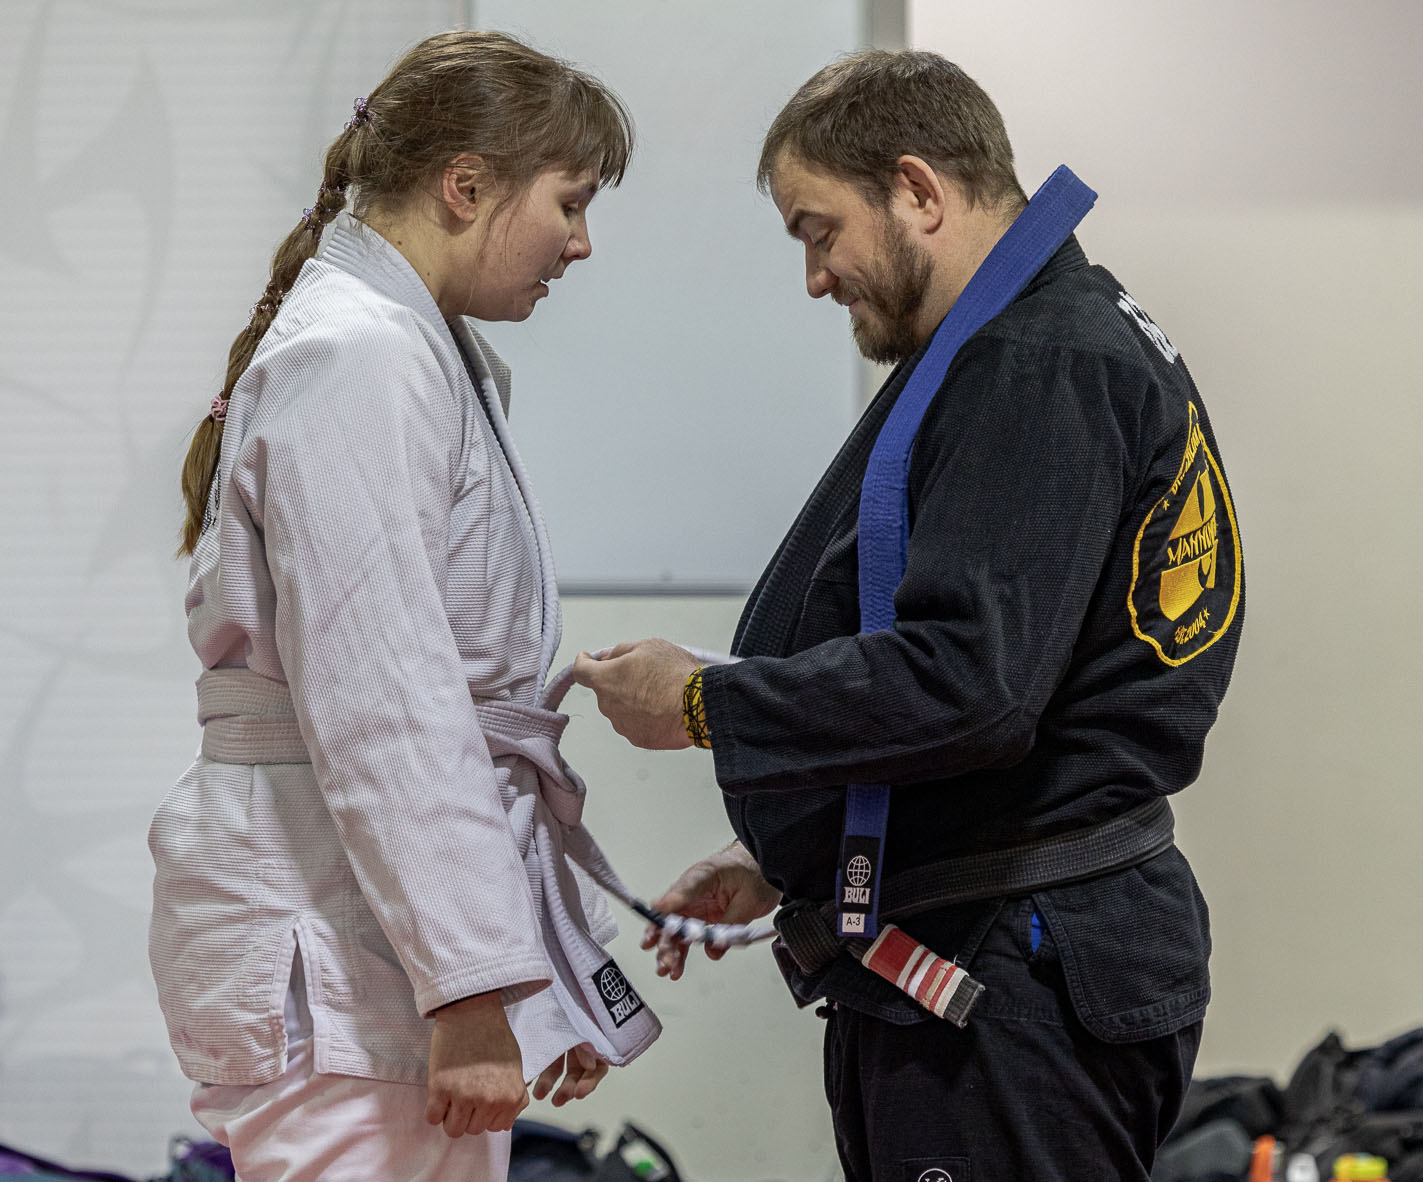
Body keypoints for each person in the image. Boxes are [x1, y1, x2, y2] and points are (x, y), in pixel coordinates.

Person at [572, 49, 1243, 1182]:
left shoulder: (1040, 362)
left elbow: (970, 687)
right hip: (1009, 950)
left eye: (816, 230)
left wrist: (701, 704)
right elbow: (1012, 673)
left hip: (1016, 977)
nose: (815, 277)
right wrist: (802, 843)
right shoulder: (1041, 338)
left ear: (918, 191)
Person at [148, 31, 644, 1181]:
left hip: (368, 944)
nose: (581, 242)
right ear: (464, 185)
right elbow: (387, 702)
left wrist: (533, 973)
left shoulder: (407, 350)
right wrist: (472, 985)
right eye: (569, 202)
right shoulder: (358, 355)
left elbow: (431, 712)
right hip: (336, 949)